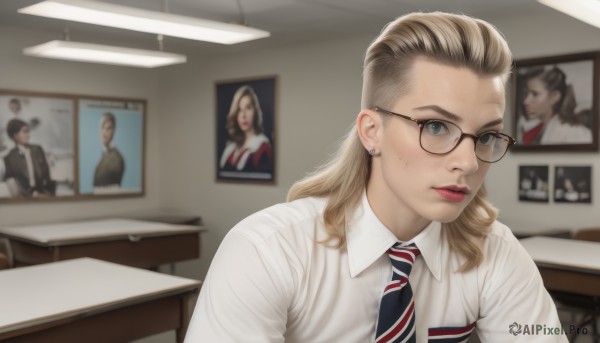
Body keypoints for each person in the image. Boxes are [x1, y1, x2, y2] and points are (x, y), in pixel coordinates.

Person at [186, 12, 567, 342]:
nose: (468, 162)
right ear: (372, 132)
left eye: (485, 136)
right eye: (436, 126)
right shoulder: (266, 253)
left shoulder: (496, 251)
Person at [517, 66, 592, 145]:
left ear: (554, 96)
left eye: (535, 94)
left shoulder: (574, 133)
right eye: (526, 94)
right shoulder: (535, 132)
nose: (525, 101)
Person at [218, 85, 273, 174]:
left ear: (255, 111)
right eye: (239, 110)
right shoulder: (230, 148)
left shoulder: (263, 148)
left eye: (248, 108)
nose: (243, 115)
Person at [3, 118, 55, 197]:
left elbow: (46, 175)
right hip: (24, 197)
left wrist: (47, 192)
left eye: (28, 131)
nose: (28, 134)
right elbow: (11, 183)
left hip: (44, 194)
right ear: (15, 135)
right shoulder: (9, 158)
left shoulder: (38, 149)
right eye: (24, 131)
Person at [93, 112, 124, 189]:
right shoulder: (105, 154)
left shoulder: (116, 159)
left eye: (108, 128)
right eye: (102, 127)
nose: (105, 132)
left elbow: (113, 191)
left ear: (114, 130)